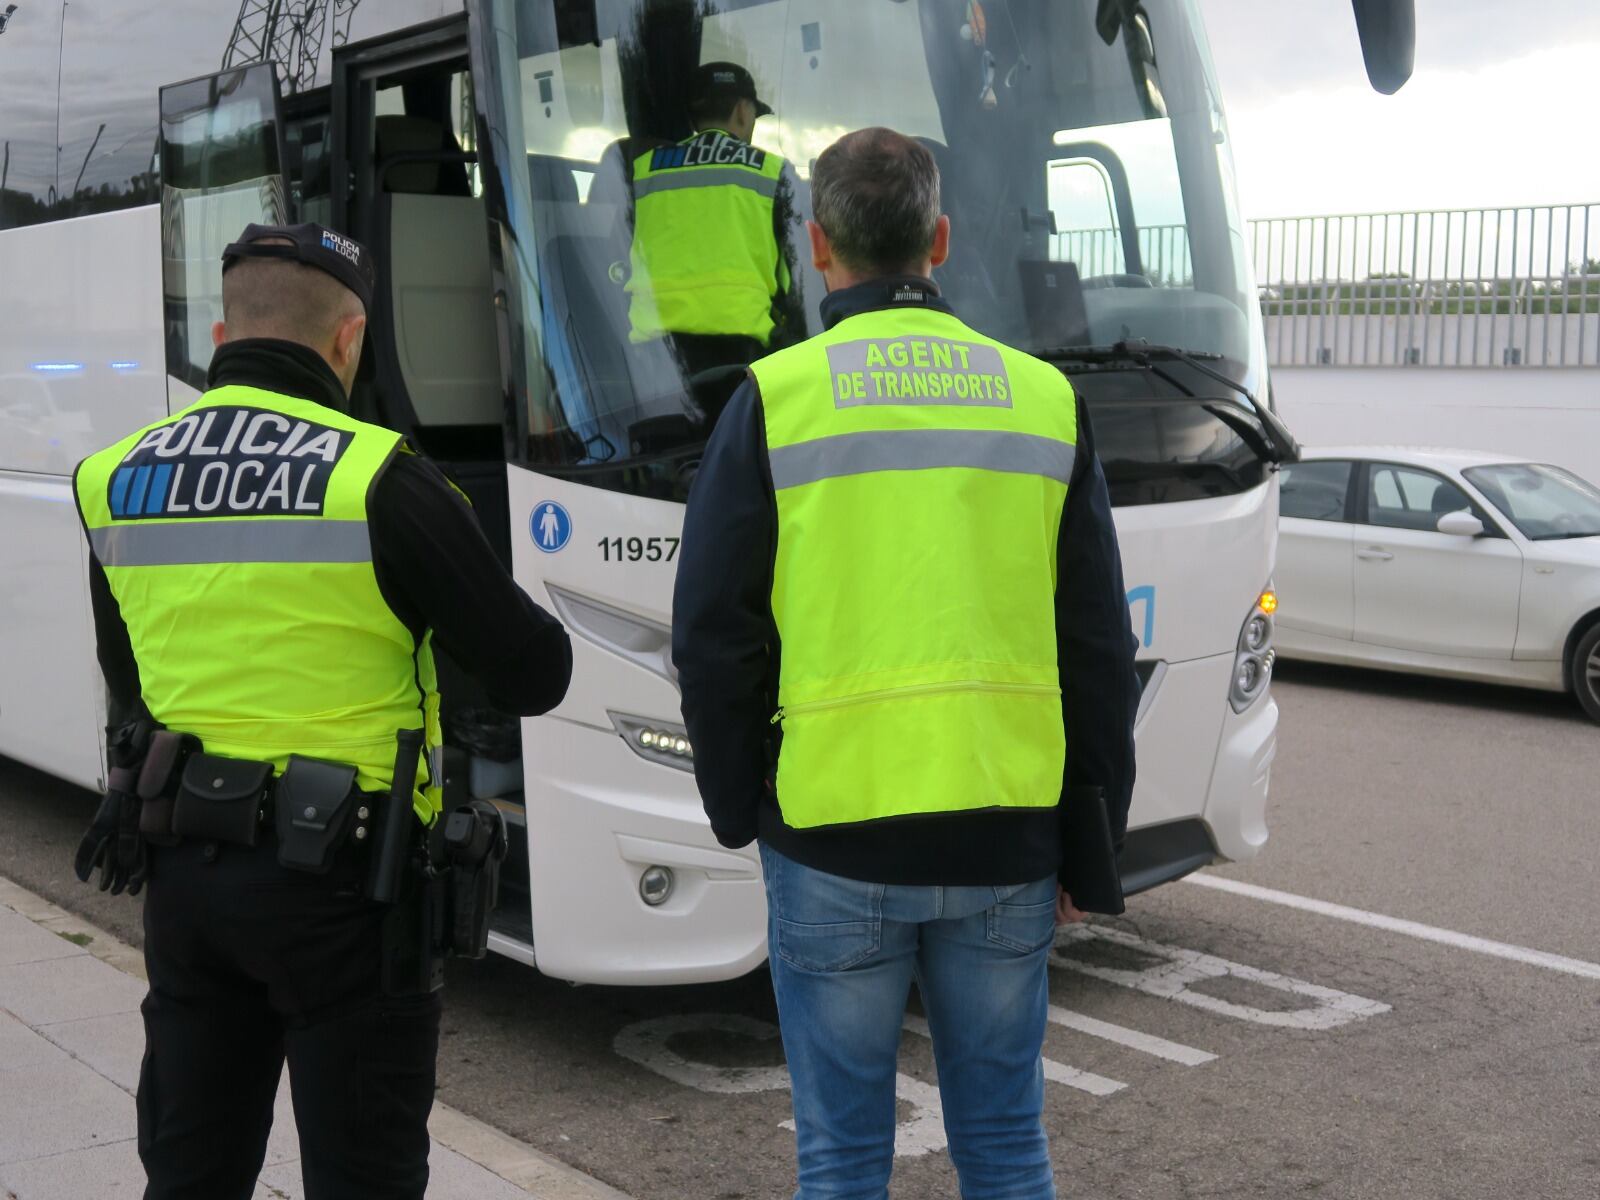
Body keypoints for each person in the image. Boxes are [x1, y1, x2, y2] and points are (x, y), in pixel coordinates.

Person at [672, 128, 1139, 1199]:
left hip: (834, 833)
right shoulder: (1040, 399)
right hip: (1006, 835)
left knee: (840, 1157)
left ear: (816, 245)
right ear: (939, 240)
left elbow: (713, 632)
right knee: (1007, 1144)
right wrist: (1089, 835)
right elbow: (1097, 645)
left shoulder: (775, 400)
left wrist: (742, 805)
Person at [70, 223, 572, 1200]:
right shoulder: (379, 477)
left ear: (223, 332)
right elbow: (534, 673)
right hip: (351, 893)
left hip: (187, 880)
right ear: (348, 342)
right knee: (365, 1178)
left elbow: (126, 680)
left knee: (190, 1170)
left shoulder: (115, 477)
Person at [620, 61, 805, 376]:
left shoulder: (642, 169)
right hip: (745, 354)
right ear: (742, 111)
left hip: (653, 357)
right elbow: (798, 277)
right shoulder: (773, 172)